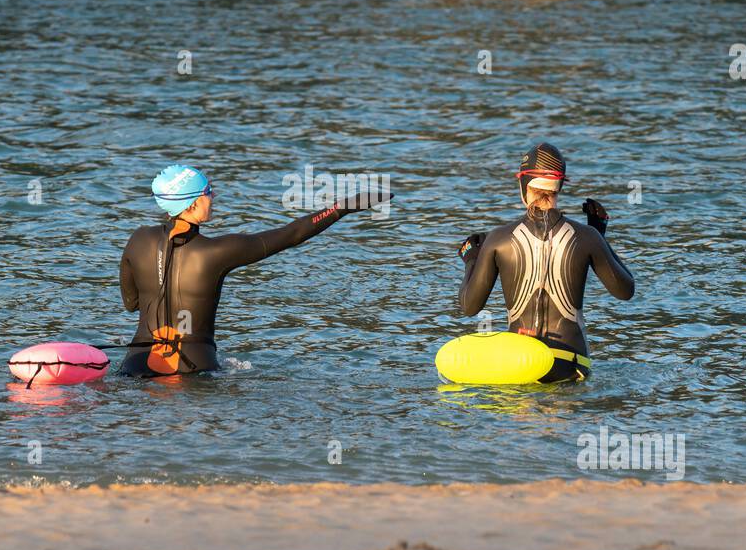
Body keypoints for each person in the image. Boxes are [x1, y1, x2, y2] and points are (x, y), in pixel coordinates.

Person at [119, 164, 392, 376]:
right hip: (194, 369)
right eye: (207, 192)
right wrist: (341, 208)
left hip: (137, 365)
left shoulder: (137, 239)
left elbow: (131, 304)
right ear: (192, 203)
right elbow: (292, 234)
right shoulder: (217, 252)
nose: (213, 196)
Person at [457, 142, 634, 382]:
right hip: (572, 365)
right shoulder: (587, 236)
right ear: (559, 185)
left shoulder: (498, 240)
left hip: (520, 366)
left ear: (523, 185)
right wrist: (600, 237)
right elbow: (625, 290)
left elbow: (470, 307)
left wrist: (471, 259)